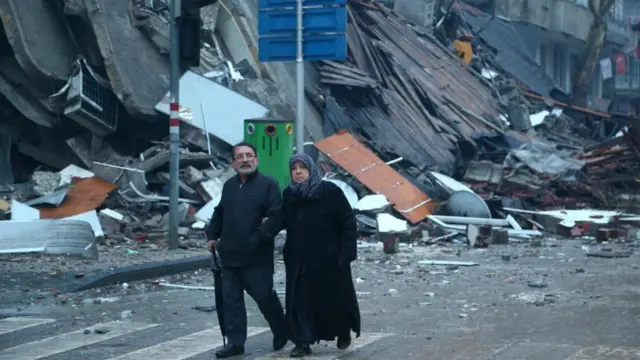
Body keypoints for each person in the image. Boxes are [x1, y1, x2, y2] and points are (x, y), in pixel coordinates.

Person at [206, 141, 288, 359]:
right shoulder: (230, 186)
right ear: (233, 163)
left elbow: (276, 216)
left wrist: (258, 238)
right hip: (229, 255)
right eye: (239, 156)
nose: (244, 160)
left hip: (257, 256)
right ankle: (235, 343)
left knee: (264, 297)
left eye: (249, 155)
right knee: (231, 302)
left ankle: (281, 329)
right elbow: (220, 212)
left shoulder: (268, 184)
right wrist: (212, 235)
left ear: (256, 159)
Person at [281, 153, 361, 358]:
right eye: (294, 168)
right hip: (299, 260)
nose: (298, 172)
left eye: (302, 168)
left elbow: (348, 223)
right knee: (301, 301)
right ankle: (303, 341)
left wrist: (345, 253)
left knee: (334, 300)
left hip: (330, 260)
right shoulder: (290, 194)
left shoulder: (330, 191)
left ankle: (342, 331)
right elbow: (281, 221)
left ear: (311, 170)